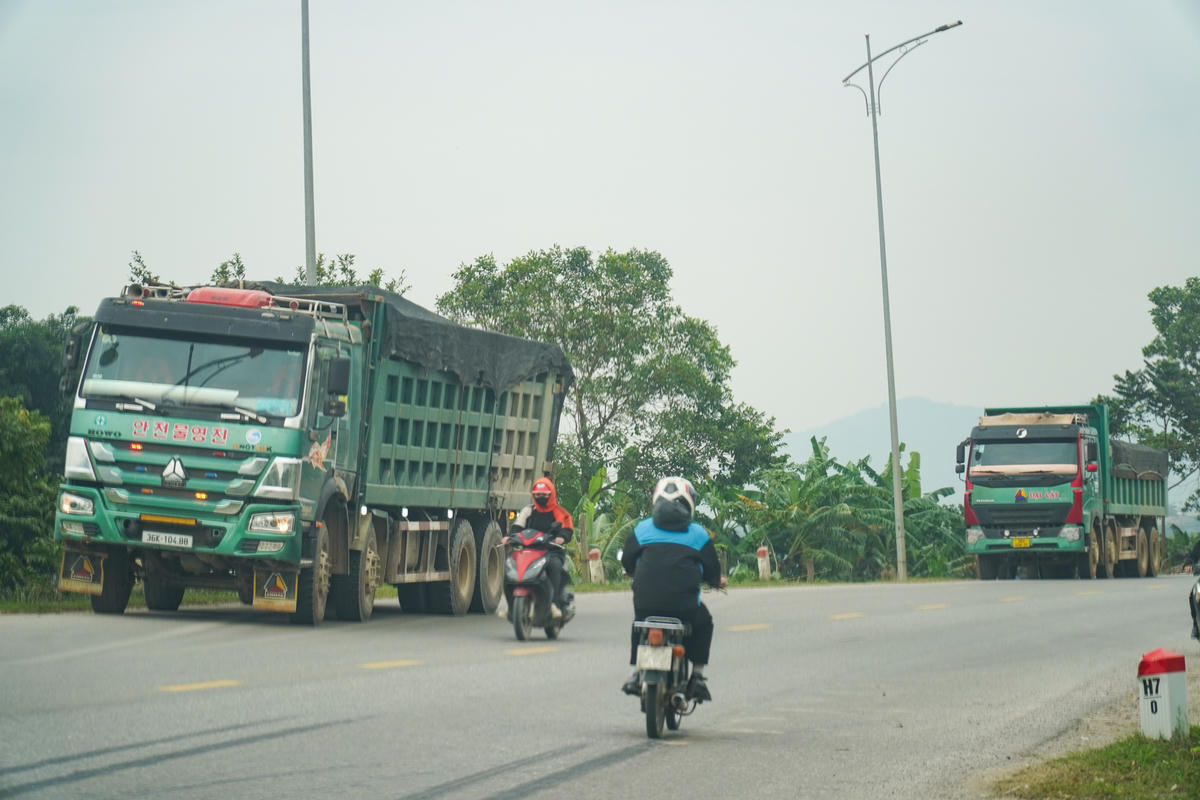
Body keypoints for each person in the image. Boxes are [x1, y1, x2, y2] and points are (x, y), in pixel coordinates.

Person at [620, 476, 727, 702]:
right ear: (689, 503)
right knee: (703, 622)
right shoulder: (698, 534)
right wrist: (717, 581)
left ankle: (636, 672)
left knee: (640, 624)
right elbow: (711, 570)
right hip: (684, 607)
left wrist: (633, 570)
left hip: (645, 604)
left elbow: (628, 561)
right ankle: (697, 676)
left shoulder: (642, 529)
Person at [503, 477, 573, 618]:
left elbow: (567, 529)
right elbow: (517, 527)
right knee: (509, 568)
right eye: (537, 494)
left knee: (554, 566)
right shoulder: (528, 511)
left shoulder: (559, 512)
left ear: (551, 494)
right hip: (529, 551)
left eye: (544, 494)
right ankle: (510, 605)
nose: (540, 497)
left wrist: (561, 538)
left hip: (551, 551)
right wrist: (510, 537)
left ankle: (554, 604)